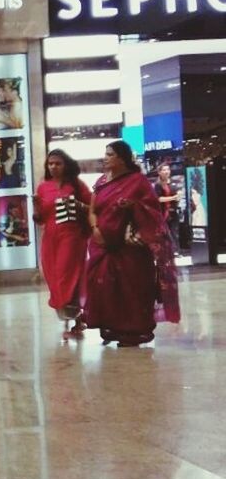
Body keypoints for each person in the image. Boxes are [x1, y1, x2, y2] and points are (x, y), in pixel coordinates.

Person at [85, 141, 180, 347]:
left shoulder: (138, 182)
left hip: (130, 250)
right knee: (104, 288)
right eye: (105, 153)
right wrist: (96, 229)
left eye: (109, 154)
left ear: (121, 158)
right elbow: (92, 210)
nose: (105, 157)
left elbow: (153, 211)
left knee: (132, 290)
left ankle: (132, 332)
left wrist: (134, 206)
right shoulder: (102, 180)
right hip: (102, 246)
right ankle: (111, 327)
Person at [33, 150, 92, 337]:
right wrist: (35, 208)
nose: (53, 167)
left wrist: (78, 206)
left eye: (58, 163)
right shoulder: (43, 188)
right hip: (50, 238)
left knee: (68, 275)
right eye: (50, 164)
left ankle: (74, 320)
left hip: (72, 236)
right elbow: (41, 219)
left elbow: (93, 208)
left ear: (65, 164)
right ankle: (71, 319)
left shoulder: (76, 185)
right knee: (54, 276)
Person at [154, 164, 181, 255]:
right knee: (164, 232)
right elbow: (159, 199)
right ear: (159, 172)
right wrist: (173, 198)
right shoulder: (157, 185)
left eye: (168, 169)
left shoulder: (174, 182)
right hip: (162, 213)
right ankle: (166, 251)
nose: (166, 171)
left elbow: (178, 195)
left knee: (174, 232)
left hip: (173, 212)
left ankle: (175, 251)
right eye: (164, 170)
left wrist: (178, 197)